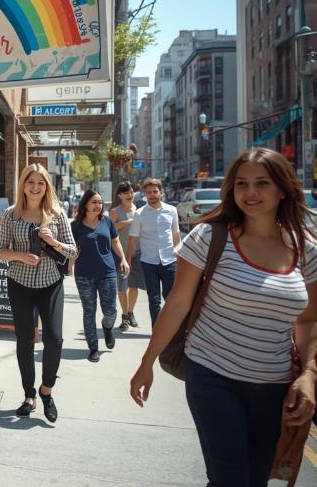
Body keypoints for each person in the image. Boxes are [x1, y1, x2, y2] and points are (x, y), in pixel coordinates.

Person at [131, 148, 317, 485]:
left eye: (262, 183)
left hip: (273, 387)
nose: (250, 192)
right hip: (213, 375)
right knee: (229, 479)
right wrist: (146, 363)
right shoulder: (210, 236)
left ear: (283, 189)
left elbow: (308, 320)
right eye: (241, 183)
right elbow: (177, 303)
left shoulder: (306, 249)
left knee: (257, 478)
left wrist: (308, 374)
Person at [0, 163, 77, 422]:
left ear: (46, 187)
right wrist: (20, 256)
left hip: (50, 283)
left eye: (41, 183)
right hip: (19, 283)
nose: (36, 187)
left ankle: (46, 391)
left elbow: (73, 251)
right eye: (31, 182)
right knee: (25, 341)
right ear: (23, 184)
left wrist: (52, 241)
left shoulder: (56, 213)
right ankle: (29, 395)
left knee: (54, 340)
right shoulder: (11, 214)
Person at [71, 189, 130, 362]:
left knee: (111, 311)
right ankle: (93, 347)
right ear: (85, 205)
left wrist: (123, 259)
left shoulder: (107, 222)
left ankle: (107, 327)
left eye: (100, 202)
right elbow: (71, 249)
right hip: (84, 274)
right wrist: (69, 265)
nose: (98, 205)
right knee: (89, 311)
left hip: (107, 272)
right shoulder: (76, 226)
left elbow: (115, 241)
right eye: (94, 202)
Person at [126, 178, 180, 327]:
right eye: (148, 192)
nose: (152, 195)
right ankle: (156, 329)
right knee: (154, 299)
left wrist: (179, 258)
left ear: (161, 193)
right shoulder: (140, 213)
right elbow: (133, 239)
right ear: (144, 194)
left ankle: (170, 328)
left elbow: (176, 237)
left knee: (170, 297)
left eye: (155, 191)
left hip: (169, 260)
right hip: (149, 262)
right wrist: (127, 261)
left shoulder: (172, 210)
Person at [110, 182, 145, 330]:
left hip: (137, 252)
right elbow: (111, 229)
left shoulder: (139, 209)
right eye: (126, 193)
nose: (129, 195)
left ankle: (130, 312)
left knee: (134, 285)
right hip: (120, 254)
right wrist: (128, 222)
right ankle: (124, 316)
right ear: (120, 195)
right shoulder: (114, 211)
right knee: (122, 287)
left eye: (131, 192)